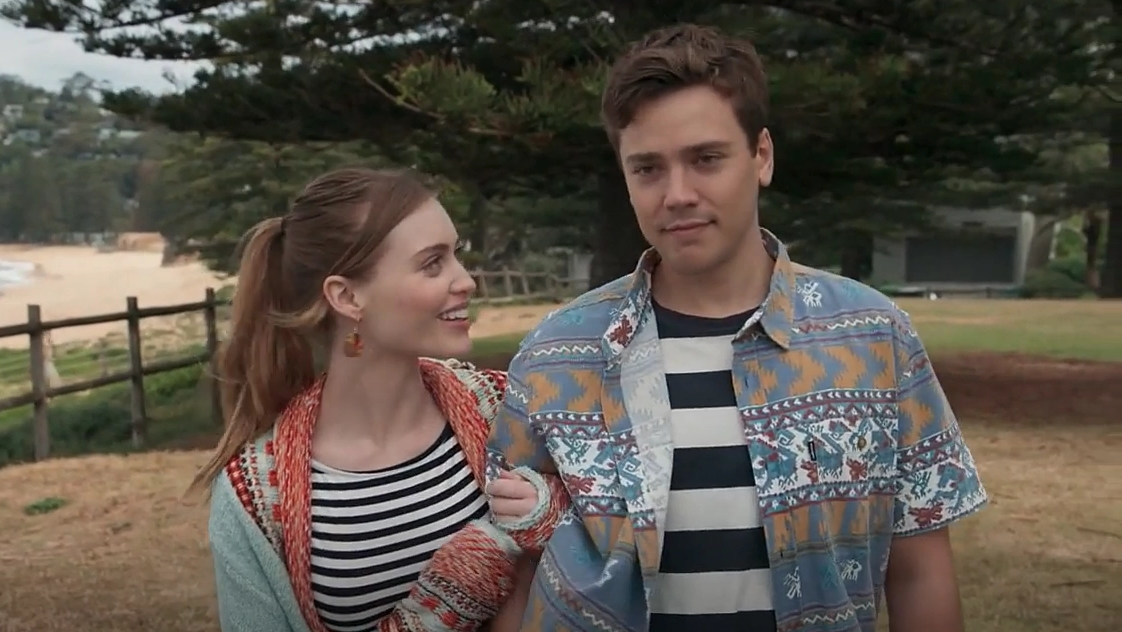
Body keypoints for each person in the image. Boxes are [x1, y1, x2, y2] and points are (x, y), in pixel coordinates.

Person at [486, 24, 989, 632]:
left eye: (706, 159)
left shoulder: (874, 337)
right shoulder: (556, 355)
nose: (677, 194)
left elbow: (918, 572)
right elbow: (512, 564)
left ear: (762, 156)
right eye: (647, 168)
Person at [195, 167, 567, 632]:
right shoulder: (253, 496)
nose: (466, 281)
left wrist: (554, 516)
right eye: (432, 264)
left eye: (456, 255)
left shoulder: (506, 408)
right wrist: (438, 610)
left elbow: (616, 535)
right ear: (347, 296)